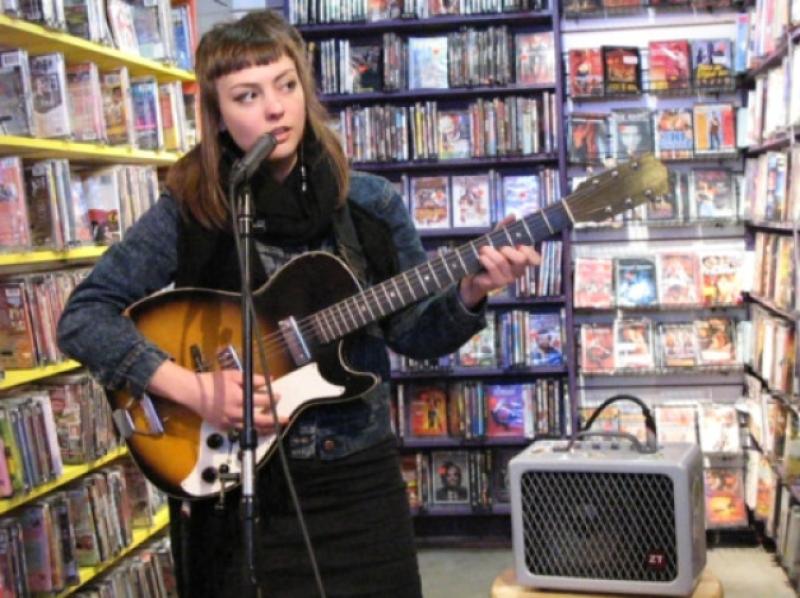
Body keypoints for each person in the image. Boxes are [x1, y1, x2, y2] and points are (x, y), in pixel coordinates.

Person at [55, 10, 539, 598]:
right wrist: (193, 388)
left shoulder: (369, 204)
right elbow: (84, 317)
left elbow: (416, 333)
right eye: (247, 95)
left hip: (359, 481)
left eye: (286, 85)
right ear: (217, 114)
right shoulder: (193, 207)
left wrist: (471, 291)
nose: (275, 108)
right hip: (239, 492)